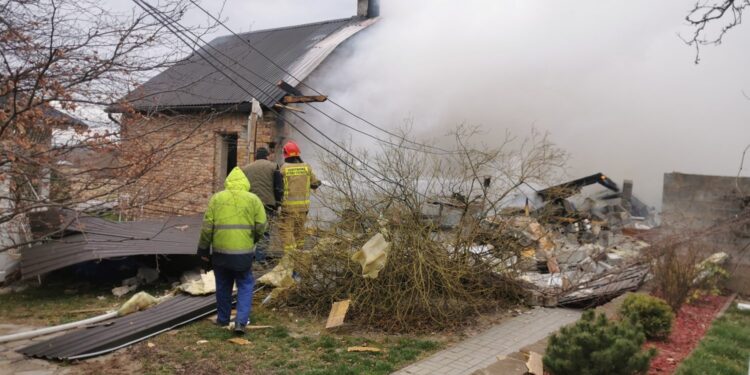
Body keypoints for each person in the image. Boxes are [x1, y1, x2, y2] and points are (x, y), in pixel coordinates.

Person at [197, 167, 267, 334]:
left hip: (220, 253)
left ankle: (222, 320)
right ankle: (240, 322)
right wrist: (254, 240)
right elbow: (262, 225)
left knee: (223, 285)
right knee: (245, 284)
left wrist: (203, 250)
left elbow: (207, 228)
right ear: (245, 183)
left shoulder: (217, 198)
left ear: (228, 182)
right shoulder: (253, 199)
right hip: (243, 253)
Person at [241, 147, 284, 264]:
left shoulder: (245, 169)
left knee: (250, 230)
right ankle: (260, 260)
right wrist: (279, 203)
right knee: (264, 231)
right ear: (267, 156)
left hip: (250, 204)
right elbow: (278, 187)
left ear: (255, 156)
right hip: (267, 204)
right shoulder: (273, 166)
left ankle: (247, 257)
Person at [279, 141, 320, 254]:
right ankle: (300, 254)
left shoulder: (283, 168)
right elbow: (314, 184)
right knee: (299, 231)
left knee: (286, 230)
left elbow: (278, 186)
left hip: (288, 208)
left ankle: (290, 255)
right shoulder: (307, 167)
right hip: (303, 208)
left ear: (285, 154)